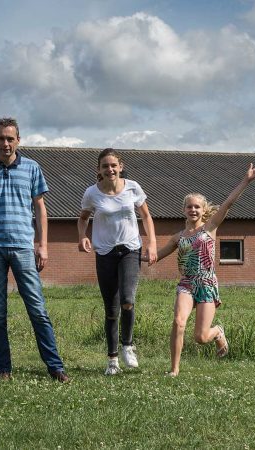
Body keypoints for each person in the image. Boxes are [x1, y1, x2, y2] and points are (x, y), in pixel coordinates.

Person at [0, 117, 69, 382]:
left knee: (37, 308)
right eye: (1, 138)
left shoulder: (32, 168)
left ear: (18, 141)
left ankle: (55, 367)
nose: (5, 143)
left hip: (24, 245)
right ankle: (3, 369)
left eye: (10, 138)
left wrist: (43, 245)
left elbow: (40, 208)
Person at [152, 163, 255, 376]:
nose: (193, 210)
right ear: (183, 210)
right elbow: (156, 256)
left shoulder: (210, 227)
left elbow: (229, 203)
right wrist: (124, 252)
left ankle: (218, 332)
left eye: (197, 207)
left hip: (206, 283)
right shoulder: (178, 237)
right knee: (178, 322)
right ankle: (174, 370)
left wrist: (246, 181)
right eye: (189, 207)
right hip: (186, 283)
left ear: (203, 211)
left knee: (201, 337)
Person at [77, 148, 158, 375]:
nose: (110, 169)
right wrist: (82, 236)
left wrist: (151, 243)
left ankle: (128, 345)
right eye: (105, 166)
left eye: (113, 165)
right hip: (104, 252)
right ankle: (112, 360)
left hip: (130, 249)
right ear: (99, 170)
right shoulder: (92, 193)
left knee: (128, 299)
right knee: (111, 309)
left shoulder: (133, 187)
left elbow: (146, 216)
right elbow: (83, 218)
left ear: (120, 166)